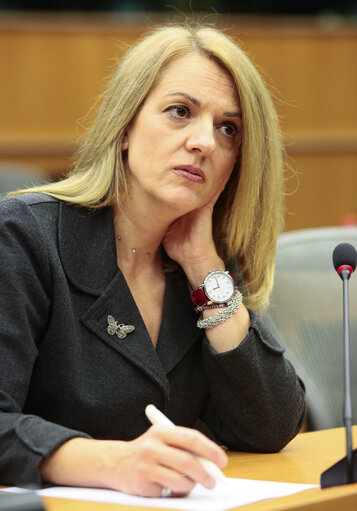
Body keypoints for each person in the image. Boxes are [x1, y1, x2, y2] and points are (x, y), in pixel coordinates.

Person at [0, 23, 306, 497]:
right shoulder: (23, 235)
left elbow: (269, 426)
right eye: (180, 112)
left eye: (229, 129)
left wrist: (204, 268)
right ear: (124, 128)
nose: (205, 142)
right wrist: (111, 461)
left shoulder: (206, 264)